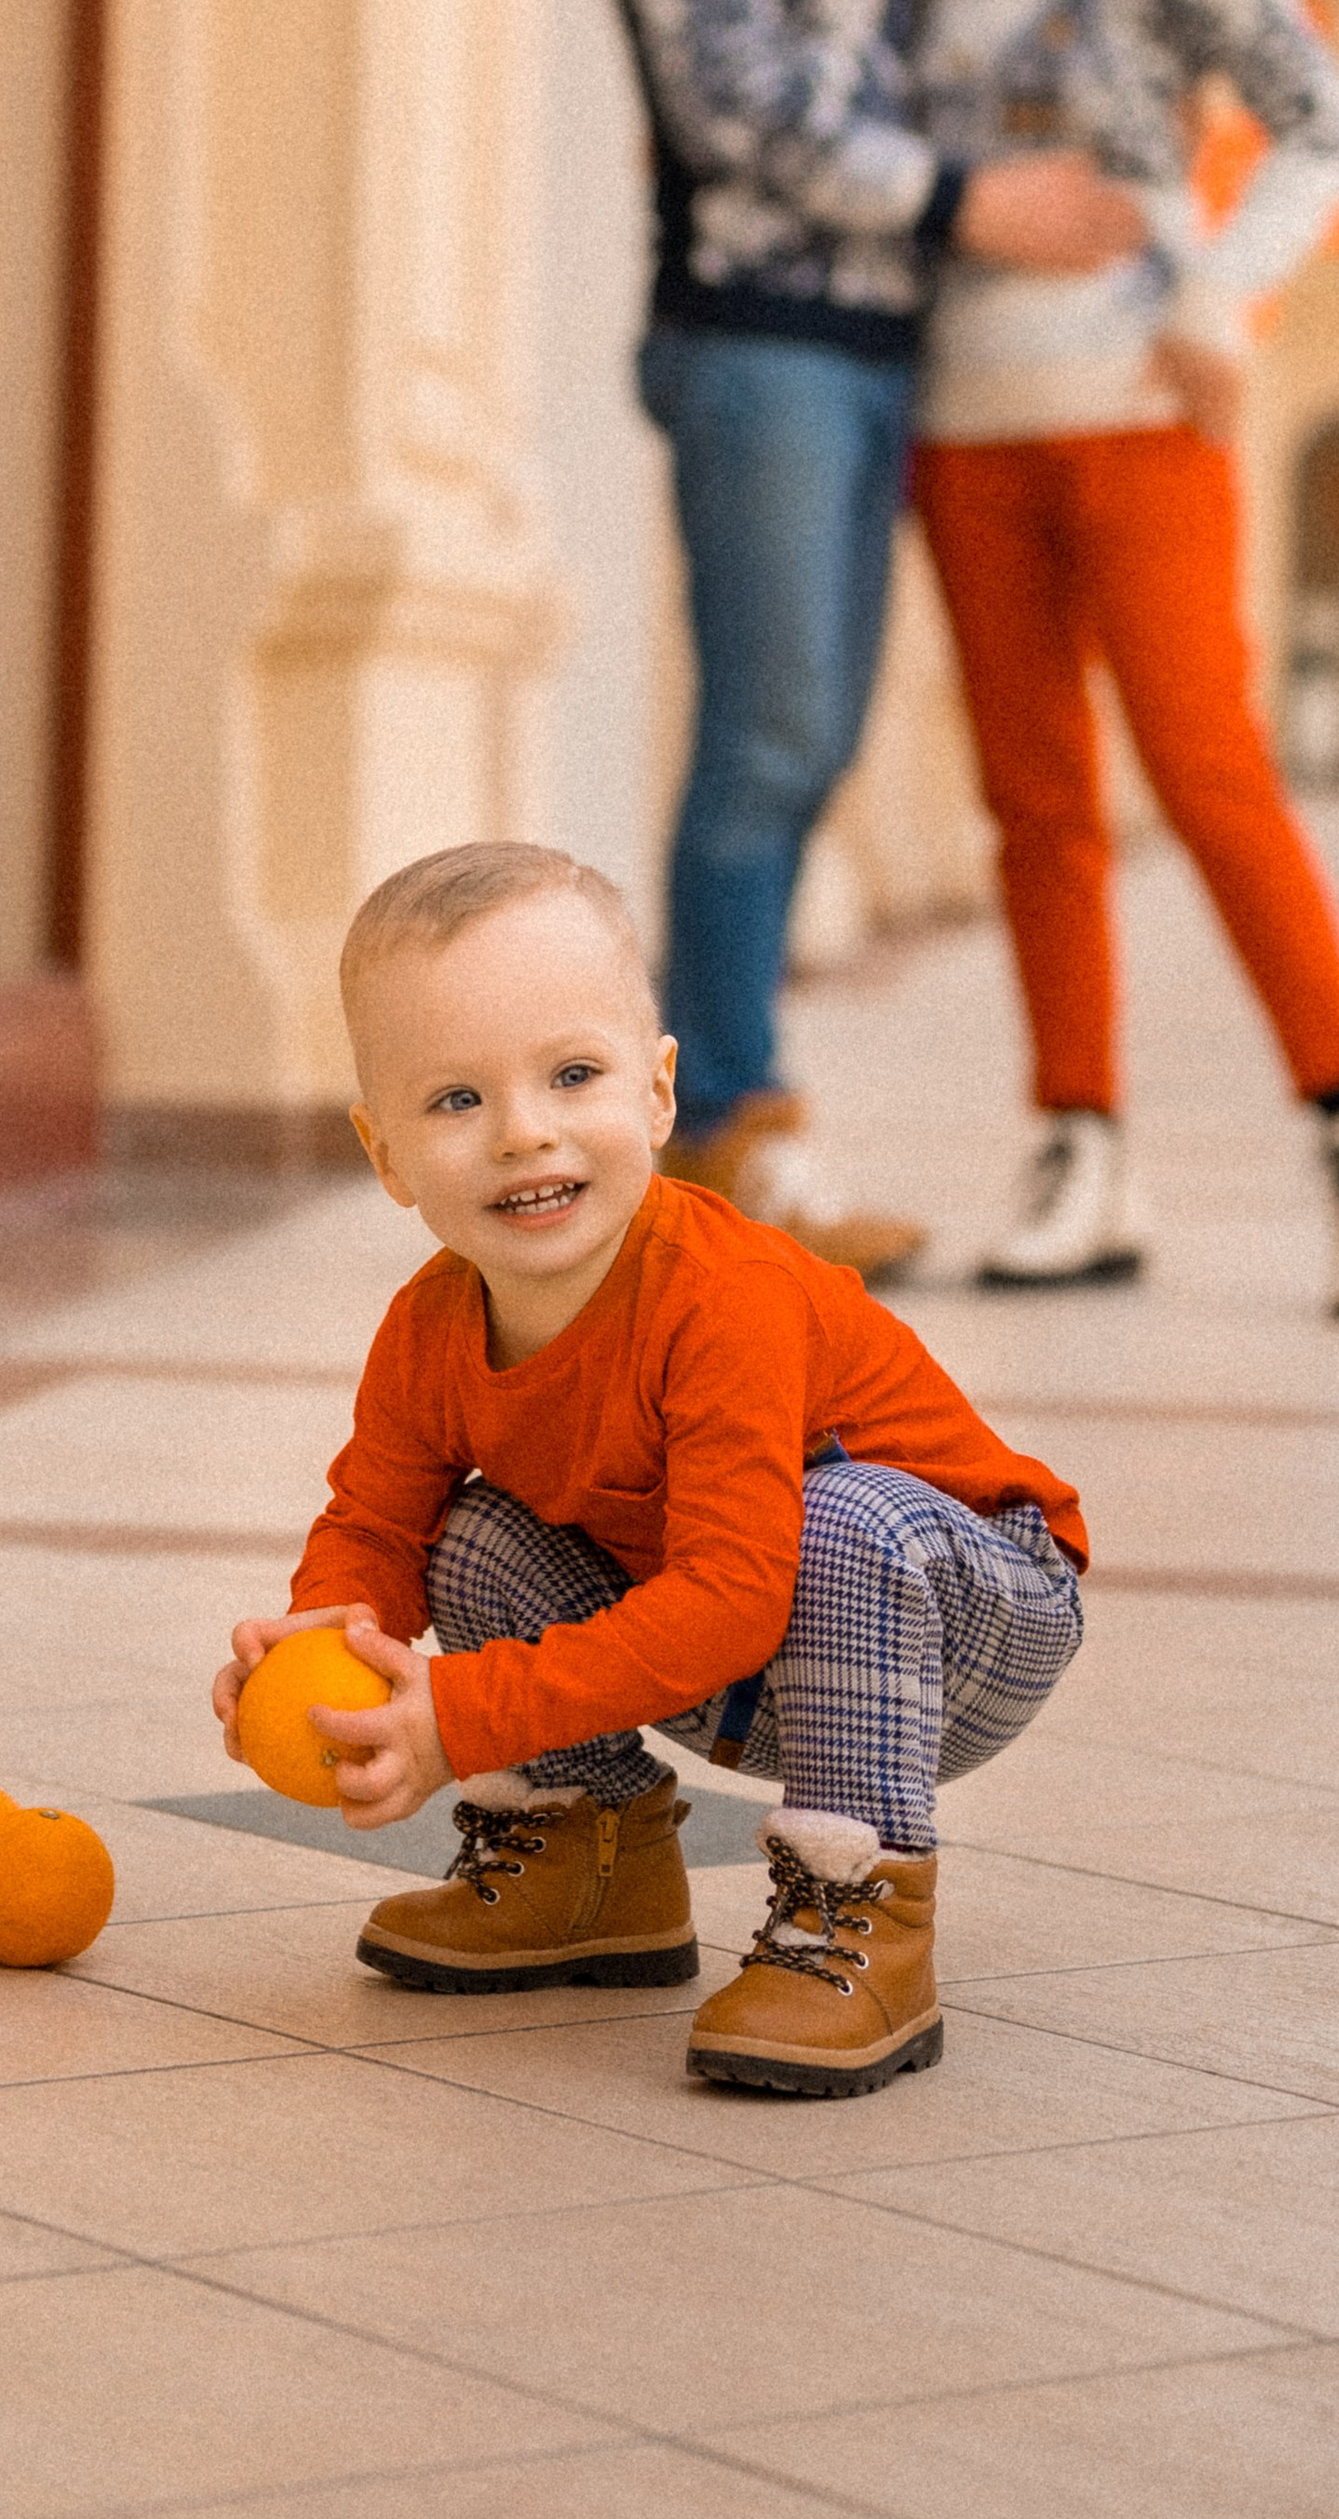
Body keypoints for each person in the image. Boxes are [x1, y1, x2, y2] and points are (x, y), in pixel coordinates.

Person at [210, 840, 1088, 2097]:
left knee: (839, 1520)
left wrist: (460, 1715)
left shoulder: (722, 1295)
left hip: (962, 1618)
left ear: (661, 1094)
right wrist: (323, 1641)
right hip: (753, 1646)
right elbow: (378, 1523)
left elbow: (736, 1594)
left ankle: (861, 1917)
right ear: (384, 1152)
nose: (525, 1133)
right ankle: (592, 1860)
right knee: (475, 1529)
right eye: (456, 1100)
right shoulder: (429, 1328)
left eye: (574, 1074)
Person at [607, 0, 1134, 1279]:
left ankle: (734, 1130)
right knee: (768, 732)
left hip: (884, 356)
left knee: (813, 733)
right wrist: (970, 199)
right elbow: (729, 100)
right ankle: (717, 1146)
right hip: (756, 337)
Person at [900, 0, 1339, 1313]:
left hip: (1142, 409)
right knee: (1033, 807)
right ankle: (1079, 1148)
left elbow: (1322, 121)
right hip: (959, 424)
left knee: (1209, 775)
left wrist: (1219, 290)